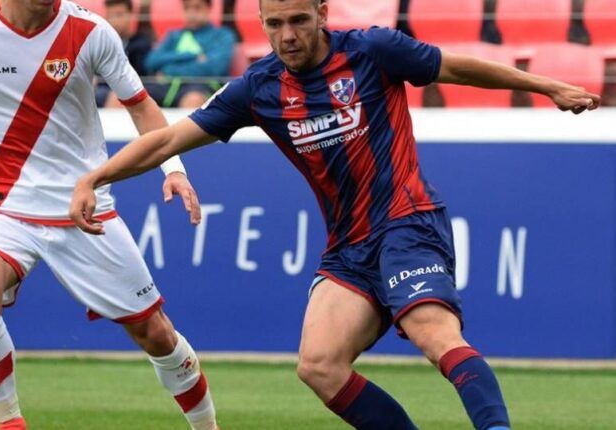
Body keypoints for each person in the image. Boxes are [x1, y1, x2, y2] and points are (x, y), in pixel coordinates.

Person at [69, 0, 601, 429]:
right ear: (261, 23)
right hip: (348, 247)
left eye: (299, 20)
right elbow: (167, 139)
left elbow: (454, 65)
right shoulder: (260, 88)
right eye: (274, 24)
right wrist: (97, 178)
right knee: (318, 366)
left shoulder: (372, 50)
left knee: (432, 333)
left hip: (406, 222)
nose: (288, 35)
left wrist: (546, 86)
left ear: (323, 14)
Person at [0, 1, 219, 429]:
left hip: (83, 207)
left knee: (156, 333)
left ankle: (207, 426)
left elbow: (141, 105)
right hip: (2, 206)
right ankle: (11, 423)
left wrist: (174, 169)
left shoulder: (91, 31)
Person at [144, 0, 235, 108]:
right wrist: (191, 56)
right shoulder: (174, 35)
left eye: (197, 8)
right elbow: (151, 61)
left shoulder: (222, 35)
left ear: (208, 8)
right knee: (126, 97)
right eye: (187, 8)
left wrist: (167, 70)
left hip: (201, 86)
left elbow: (215, 68)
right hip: (166, 86)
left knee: (193, 99)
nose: (191, 13)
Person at [98, 0, 151, 107]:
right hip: (101, 89)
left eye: (119, 15)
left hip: (128, 91)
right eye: (110, 15)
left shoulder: (142, 43)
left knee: (117, 96)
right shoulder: (100, 41)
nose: (114, 20)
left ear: (131, 15)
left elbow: (139, 77)